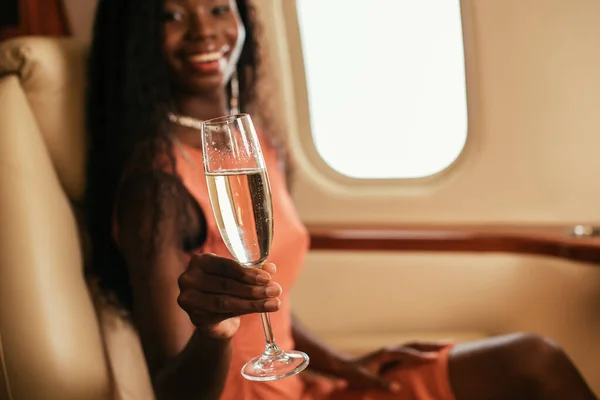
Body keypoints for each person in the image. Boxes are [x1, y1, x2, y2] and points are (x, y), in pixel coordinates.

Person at [84, 0, 598, 399]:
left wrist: (341, 361)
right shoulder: (155, 186)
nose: (203, 30)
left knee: (532, 359)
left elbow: (272, 297)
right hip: (248, 395)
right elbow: (172, 390)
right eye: (171, 15)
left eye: (219, 7)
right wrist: (217, 331)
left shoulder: (255, 146)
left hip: (304, 385)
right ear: (136, 40)